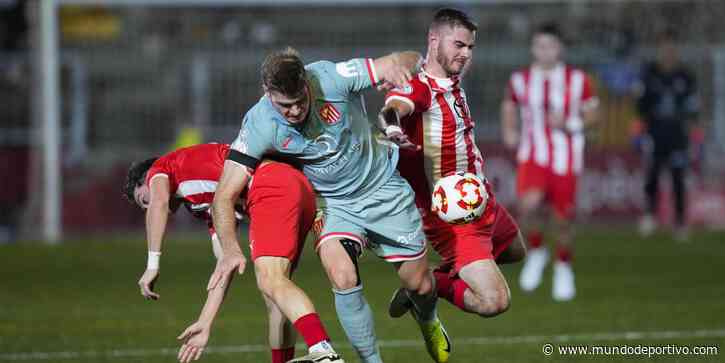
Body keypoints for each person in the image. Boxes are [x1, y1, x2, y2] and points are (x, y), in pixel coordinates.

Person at [207, 47, 450, 363]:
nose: (294, 111)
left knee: (419, 284)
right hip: (332, 204)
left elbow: (402, 58)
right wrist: (229, 248)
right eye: (285, 105)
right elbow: (223, 196)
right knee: (342, 275)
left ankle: (427, 317)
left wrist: (401, 66)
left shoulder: (331, 77)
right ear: (267, 93)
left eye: (300, 102)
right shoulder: (258, 124)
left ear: (307, 84)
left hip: (382, 187)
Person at [123, 142, 343, 363]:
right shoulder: (202, 203)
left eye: (144, 200)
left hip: (271, 183)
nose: (147, 209)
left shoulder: (161, 167)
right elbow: (224, 264)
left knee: (271, 280)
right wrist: (205, 322)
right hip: (295, 186)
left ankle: (323, 350)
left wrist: (153, 265)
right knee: (275, 296)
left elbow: (158, 203)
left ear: (147, 179)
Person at [381, 8, 526, 324]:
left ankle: (422, 281)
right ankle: (428, 285)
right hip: (453, 213)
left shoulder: (451, 79)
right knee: (494, 301)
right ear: (434, 41)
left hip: (479, 199)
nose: (466, 54)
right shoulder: (419, 87)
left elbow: (408, 60)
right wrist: (392, 129)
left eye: (470, 47)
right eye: (458, 45)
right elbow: (393, 108)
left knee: (515, 251)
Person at [500, 22, 599, 301]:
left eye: (550, 46)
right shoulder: (520, 79)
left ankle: (564, 266)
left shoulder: (578, 80)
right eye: (540, 46)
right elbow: (509, 104)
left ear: (560, 49)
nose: (545, 52)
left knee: (563, 219)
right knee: (527, 205)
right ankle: (538, 250)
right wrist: (510, 129)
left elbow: (594, 114)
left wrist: (571, 122)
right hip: (533, 154)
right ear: (533, 48)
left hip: (565, 157)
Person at [636, 29, 699, 241]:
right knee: (652, 175)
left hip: (678, 135)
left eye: (672, 48)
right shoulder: (650, 73)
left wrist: (695, 132)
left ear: (676, 51)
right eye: (665, 48)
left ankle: (680, 222)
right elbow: (640, 105)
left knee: (678, 178)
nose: (668, 52)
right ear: (660, 50)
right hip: (655, 133)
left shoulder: (686, 76)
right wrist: (639, 130)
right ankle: (649, 216)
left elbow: (693, 108)